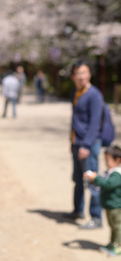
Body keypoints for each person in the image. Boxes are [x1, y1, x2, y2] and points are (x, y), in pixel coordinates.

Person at [64, 60, 103, 229]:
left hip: (88, 144)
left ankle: (96, 217)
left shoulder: (94, 94)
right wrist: (71, 141)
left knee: (92, 181)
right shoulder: (76, 93)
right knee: (77, 180)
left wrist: (86, 145)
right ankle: (77, 210)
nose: (82, 76)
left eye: (84, 72)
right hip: (76, 143)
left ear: (89, 74)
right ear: (73, 76)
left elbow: (95, 123)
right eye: (78, 73)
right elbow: (75, 121)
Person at [84, 145, 121, 255]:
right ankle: (112, 243)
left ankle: (118, 245)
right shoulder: (109, 172)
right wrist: (91, 179)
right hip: (109, 205)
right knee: (112, 226)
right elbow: (101, 184)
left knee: (118, 227)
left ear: (117, 160)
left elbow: (107, 184)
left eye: (108, 160)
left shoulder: (117, 174)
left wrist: (96, 178)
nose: (106, 162)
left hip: (116, 206)